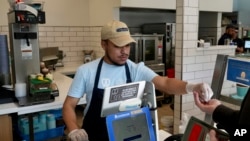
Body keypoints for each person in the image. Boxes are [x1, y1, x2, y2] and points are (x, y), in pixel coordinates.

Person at [62, 20, 213, 141]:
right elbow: (69, 105)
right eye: (118, 46)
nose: (125, 51)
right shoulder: (87, 71)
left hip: (128, 135)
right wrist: (74, 128)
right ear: (104, 44)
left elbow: (165, 83)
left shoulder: (134, 69)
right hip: (95, 136)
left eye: (127, 45)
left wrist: (193, 87)